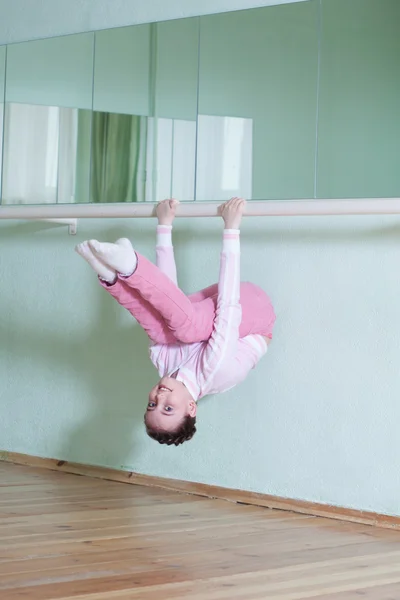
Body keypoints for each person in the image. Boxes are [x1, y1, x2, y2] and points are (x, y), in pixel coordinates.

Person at [75, 197, 275, 446]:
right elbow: (229, 305)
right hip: (254, 314)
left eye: (151, 404)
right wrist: (232, 228)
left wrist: (164, 225)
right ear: (191, 407)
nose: (159, 398)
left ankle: (110, 276)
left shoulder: (163, 364)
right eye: (168, 409)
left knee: (162, 330)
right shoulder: (215, 369)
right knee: (185, 328)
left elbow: (166, 296)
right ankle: (130, 266)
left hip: (210, 311)